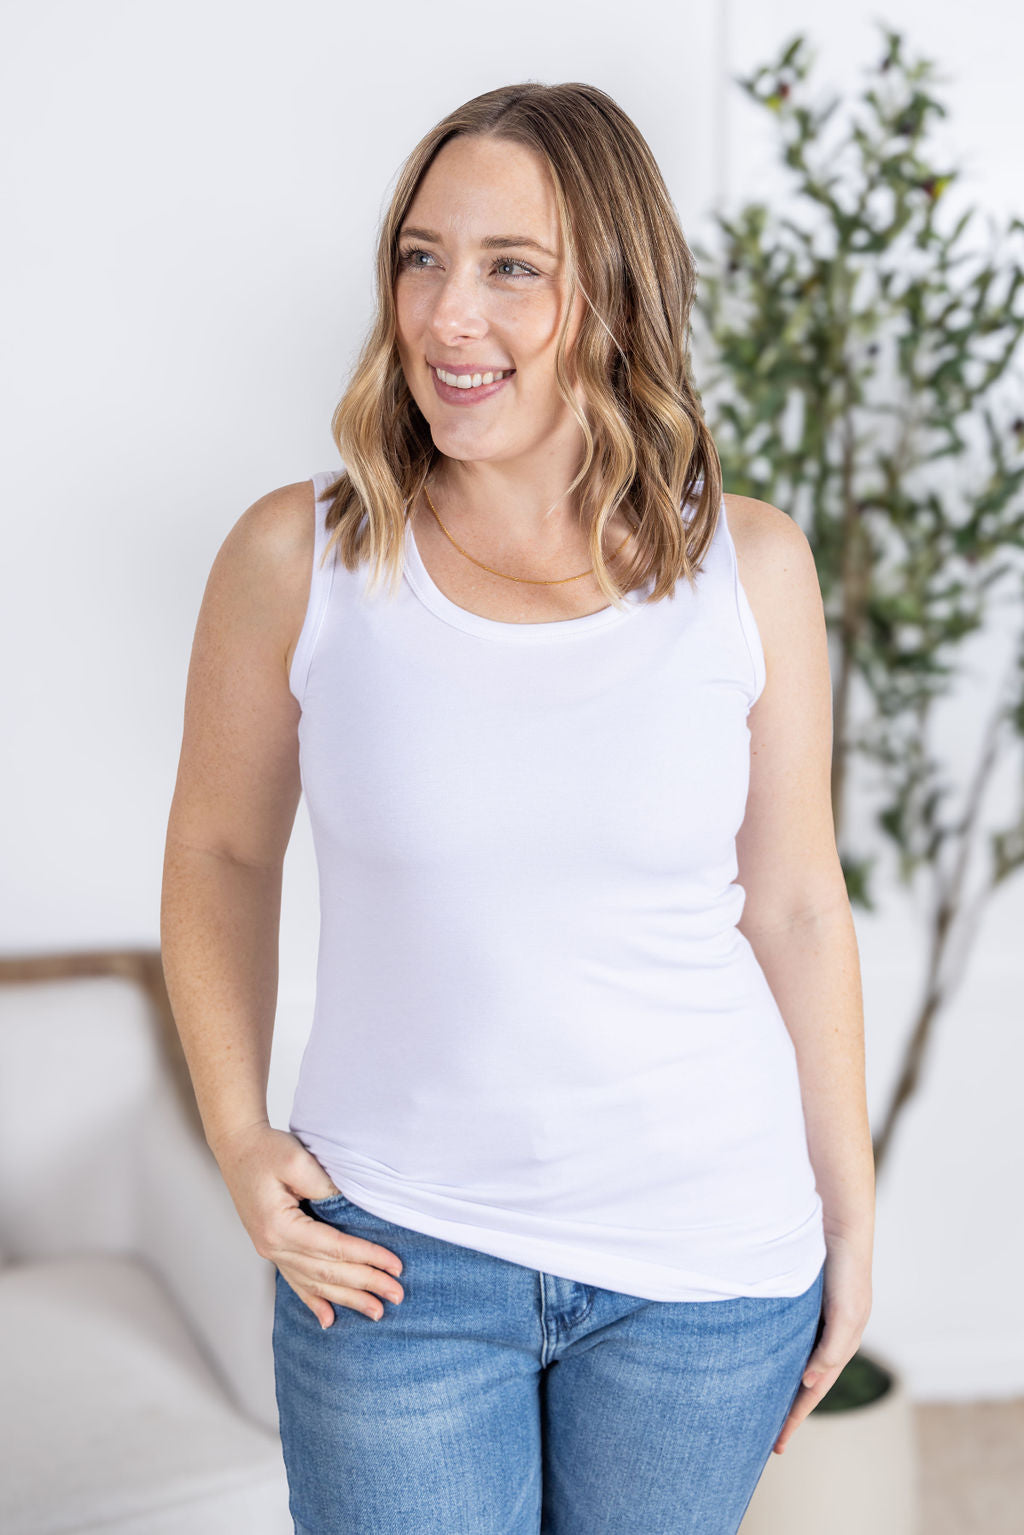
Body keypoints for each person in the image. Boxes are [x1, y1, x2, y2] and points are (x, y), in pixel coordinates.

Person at [161, 80, 874, 1535]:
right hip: (393, 1262)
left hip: (704, 1268)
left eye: (511, 268)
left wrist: (849, 1213)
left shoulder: (752, 568)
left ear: (615, 296)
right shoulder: (301, 559)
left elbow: (799, 905)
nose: (446, 315)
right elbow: (222, 853)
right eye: (421, 258)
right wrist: (237, 1136)